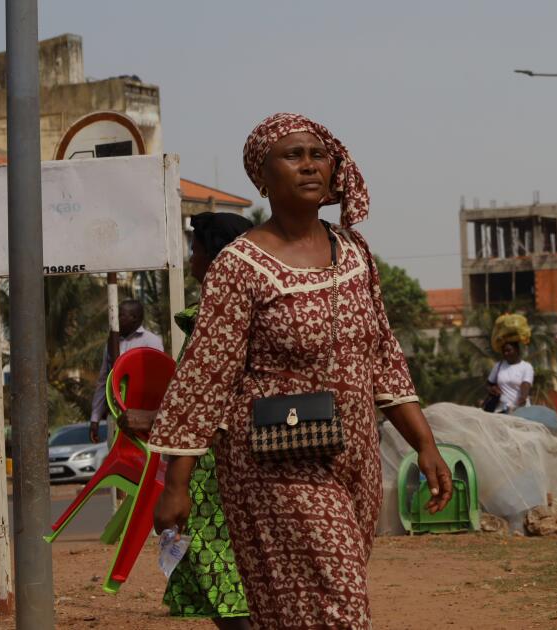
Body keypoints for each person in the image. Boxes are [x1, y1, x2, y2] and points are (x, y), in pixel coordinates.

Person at [149, 113, 453, 628]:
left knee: (309, 606)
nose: (310, 165)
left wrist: (425, 444)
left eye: (318, 154)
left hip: (354, 457)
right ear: (262, 177)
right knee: (341, 602)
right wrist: (175, 485)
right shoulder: (239, 265)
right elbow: (205, 376)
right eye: (293, 156)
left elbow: (383, 356)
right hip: (275, 464)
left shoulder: (355, 252)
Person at [162, 212, 254, 628]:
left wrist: (176, 486)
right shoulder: (207, 316)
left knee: (225, 577)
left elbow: (209, 399)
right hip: (205, 475)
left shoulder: (223, 319)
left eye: (196, 247)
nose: (191, 256)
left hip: (218, 475)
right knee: (213, 574)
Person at [88, 298, 165, 443]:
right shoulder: (112, 343)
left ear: (134, 318)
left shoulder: (151, 341)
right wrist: (95, 418)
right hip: (116, 415)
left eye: (121, 315)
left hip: (141, 417)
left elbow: (158, 378)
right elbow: (104, 380)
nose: (116, 320)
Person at [486, 340, 533, 413]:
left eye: (509, 350)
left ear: (517, 350)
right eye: (504, 351)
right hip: (501, 409)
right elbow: (489, 384)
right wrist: (493, 389)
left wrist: (523, 397)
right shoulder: (498, 365)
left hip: (520, 410)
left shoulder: (526, 367)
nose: (506, 353)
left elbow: (525, 384)